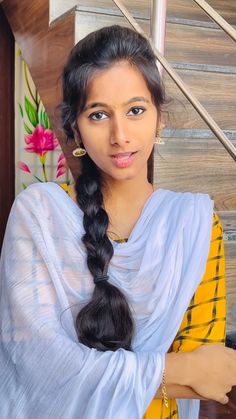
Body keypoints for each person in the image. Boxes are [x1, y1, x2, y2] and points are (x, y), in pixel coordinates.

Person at [0, 24, 236, 419]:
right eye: (98, 114)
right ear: (75, 126)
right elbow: (35, 364)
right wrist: (168, 370)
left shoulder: (193, 222)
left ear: (159, 118)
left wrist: (91, 372)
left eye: (136, 110)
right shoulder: (38, 213)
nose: (120, 135)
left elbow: (211, 374)